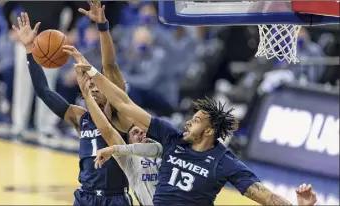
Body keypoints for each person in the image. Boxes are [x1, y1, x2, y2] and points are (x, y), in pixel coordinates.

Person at [71, 60, 318, 205]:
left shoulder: (224, 161)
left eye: (197, 120)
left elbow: (263, 195)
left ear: (209, 130)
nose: (188, 123)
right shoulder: (171, 138)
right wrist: (93, 73)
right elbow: (125, 104)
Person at [12, 10, 132, 206]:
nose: (92, 88)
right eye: (89, 84)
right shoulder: (80, 117)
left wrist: (102, 28)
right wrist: (29, 50)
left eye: (97, 85)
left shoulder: (120, 115)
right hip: (84, 196)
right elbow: (43, 91)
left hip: (114, 197)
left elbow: (109, 65)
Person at [74, 64, 161, 205]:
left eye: (141, 131)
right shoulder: (128, 158)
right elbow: (108, 130)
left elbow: (112, 72)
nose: (140, 133)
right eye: (135, 132)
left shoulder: (159, 149)